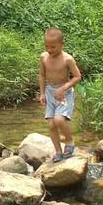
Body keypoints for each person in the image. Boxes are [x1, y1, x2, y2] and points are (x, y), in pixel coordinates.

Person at [39, 28, 81, 162]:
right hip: (50, 92)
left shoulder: (67, 59)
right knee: (51, 125)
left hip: (64, 93)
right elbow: (42, 75)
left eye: (53, 47)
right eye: (46, 46)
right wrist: (42, 93)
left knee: (59, 120)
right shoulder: (43, 57)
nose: (49, 49)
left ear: (62, 43)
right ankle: (58, 151)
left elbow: (77, 77)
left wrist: (63, 88)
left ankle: (69, 141)